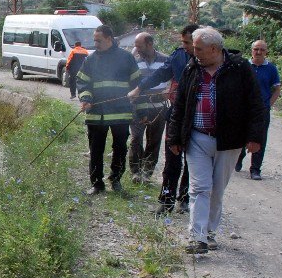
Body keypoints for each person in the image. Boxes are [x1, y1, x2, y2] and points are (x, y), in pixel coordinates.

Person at [167, 27, 265, 254]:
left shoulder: (240, 68)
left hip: (229, 139)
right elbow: (180, 104)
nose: (194, 52)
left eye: (198, 49)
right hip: (197, 136)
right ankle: (197, 237)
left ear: (214, 49)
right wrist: (174, 135)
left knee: (217, 189)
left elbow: (255, 103)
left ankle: (210, 231)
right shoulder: (193, 67)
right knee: (200, 187)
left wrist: (254, 136)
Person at [130, 24, 199, 214]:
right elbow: (160, 74)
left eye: (187, 42)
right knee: (171, 159)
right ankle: (166, 200)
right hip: (177, 115)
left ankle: (184, 199)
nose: (184, 46)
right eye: (183, 42)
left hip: (198, 120)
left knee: (190, 162)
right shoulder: (178, 56)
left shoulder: (212, 61)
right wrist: (139, 88)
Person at [76, 25, 142, 195]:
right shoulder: (90, 60)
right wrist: (86, 99)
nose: (95, 43)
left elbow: (137, 82)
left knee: (120, 148)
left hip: (120, 113)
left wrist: (134, 96)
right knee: (96, 150)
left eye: (98, 40)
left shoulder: (126, 58)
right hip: (96, 114)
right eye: (94, 40)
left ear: (109, 38)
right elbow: (82, 83)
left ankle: (116, 180)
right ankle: (97, 184)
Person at [234, 40, 281, 180]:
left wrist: (268, 105)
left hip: (261, 110)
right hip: (243, 109)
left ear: (266, 51)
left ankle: (255, 169)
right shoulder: (244, 66)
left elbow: (277, 90)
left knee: (260, 139)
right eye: (256, 49)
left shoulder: (271, 69)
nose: (259, 52)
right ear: (251, 51)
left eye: (262, 49)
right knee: (240, 135)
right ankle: (239, 157)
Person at [129, 32, 168, 181]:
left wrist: (167, 90)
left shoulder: (166, 60)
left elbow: (173, 78)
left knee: (154, 140)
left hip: (159, 107)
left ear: (150, 44)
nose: (136, 48)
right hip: (138, 106)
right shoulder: (134, 61)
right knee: (136, 138)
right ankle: (135, 171)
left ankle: (147, 172)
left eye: (139, 46)